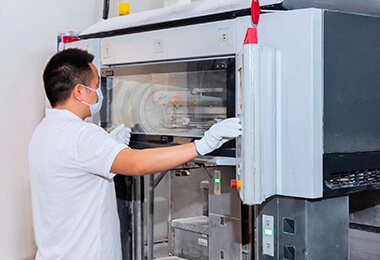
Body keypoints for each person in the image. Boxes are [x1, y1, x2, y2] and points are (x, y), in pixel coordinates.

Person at [28, 48, 241, 260]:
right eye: (95, 87)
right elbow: (137, 164)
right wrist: (202, 145)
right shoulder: (82, 135)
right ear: (79, 92)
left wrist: (109, 149)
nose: (99, 93)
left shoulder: (44, 131)